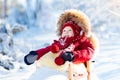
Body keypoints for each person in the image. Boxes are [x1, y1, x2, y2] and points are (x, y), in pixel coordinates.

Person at [24, 9, 97, 67]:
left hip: (76, 67)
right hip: (59, 67)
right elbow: (48, 49)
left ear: (77, 32)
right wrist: (37, 54)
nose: (66, 32)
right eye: (64, 30)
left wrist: (74, 55)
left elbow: (88, 51)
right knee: (51, 52)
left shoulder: (82, 41)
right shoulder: (61, 43)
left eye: (69, 30)